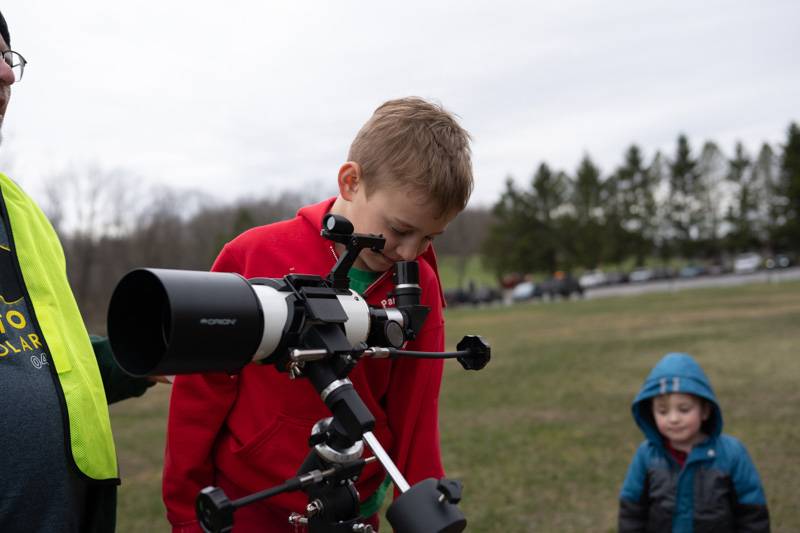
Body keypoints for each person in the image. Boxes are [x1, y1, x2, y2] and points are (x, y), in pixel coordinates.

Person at [163, 96, 474, 532]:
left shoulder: (418, 282)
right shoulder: (254, 255)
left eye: (429, 238)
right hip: (250, 503)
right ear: (351, 182)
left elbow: (416, 414)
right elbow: (202, 391)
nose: (410, 251)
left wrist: (425, 510)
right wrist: (185, 511)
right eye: (401, 229)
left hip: (354, 505)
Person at [0, 11, 154, 532]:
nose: (6, 75)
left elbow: (52, 356)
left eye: (7, 57)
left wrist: (144, 352)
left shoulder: (22, 212)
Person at [618, 352, 770, 532]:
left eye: (684, 409)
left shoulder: (732, 454)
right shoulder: (646, 456)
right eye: (662, 411)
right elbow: (632, 511)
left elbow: (752, 514)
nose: (673, 419)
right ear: (651, 413)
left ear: (705, 410)